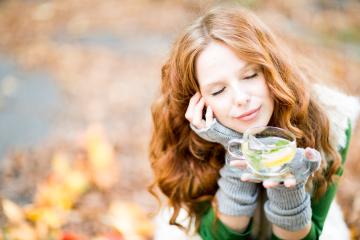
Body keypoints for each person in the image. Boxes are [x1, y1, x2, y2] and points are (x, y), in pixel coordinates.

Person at [149, 5, 359, 240]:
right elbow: (215, 237)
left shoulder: (330, 119)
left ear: (272, 70)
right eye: (218, 91)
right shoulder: (190, 136)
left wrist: (286, 185)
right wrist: (233, 145)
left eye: (250, 75)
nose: (241, 98)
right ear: (197, 101)